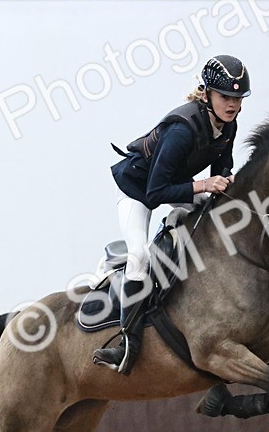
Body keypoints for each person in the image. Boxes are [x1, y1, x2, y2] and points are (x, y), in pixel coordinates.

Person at [91, 55, 250, 375]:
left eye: (237, 98)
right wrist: (204, 184)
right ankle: (126, 343)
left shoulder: (228, 125)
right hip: (139, 191)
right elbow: (155, 193)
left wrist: (228, 183)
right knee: (139, 255)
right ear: (206, 95)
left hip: (175, 186)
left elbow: (222, 171)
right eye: (225, 97)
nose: (232, 105)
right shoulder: (182, 130)